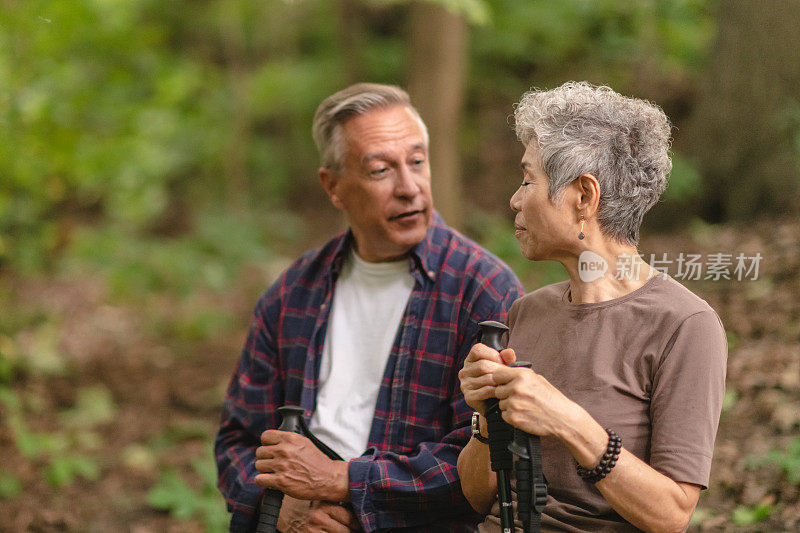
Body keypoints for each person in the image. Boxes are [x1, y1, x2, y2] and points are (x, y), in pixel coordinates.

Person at [215, 83, 524, 532]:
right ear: (334, 186)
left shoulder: (482, 289)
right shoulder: (292, 293)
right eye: (381, 170)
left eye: (417, 162)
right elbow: (238, 441)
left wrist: (343, 484)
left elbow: (480, 459)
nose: (409, 188)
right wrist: (280, 508)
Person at [457, 82, 728, 532]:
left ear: (584, 196)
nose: (515, 198)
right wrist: (487, 419)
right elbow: (475, 495)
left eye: (528, 179)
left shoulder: (686, 325)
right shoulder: (527, 312)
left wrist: (567, 421)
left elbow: (671, 516)